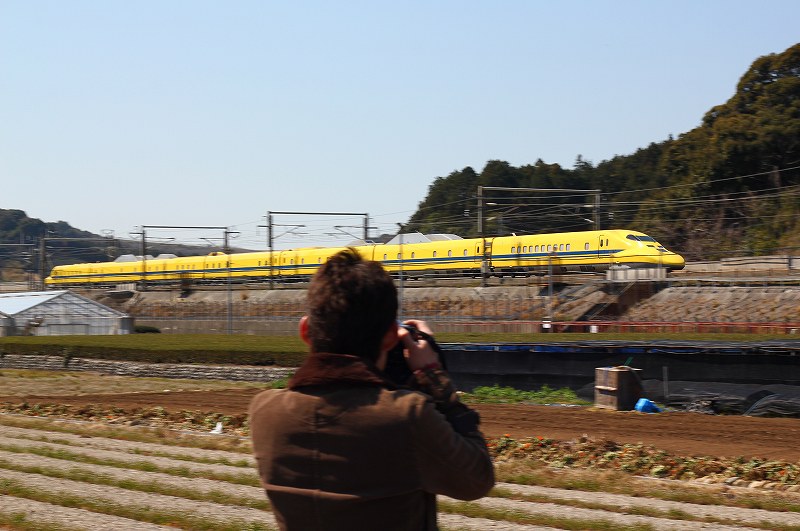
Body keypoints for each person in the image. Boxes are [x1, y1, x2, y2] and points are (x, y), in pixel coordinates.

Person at [249, 248, 494, 530]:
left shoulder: (264, 410)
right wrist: (433, 378)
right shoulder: (406, 415)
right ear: (391, 337)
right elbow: (477, 480)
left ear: (305, 330)